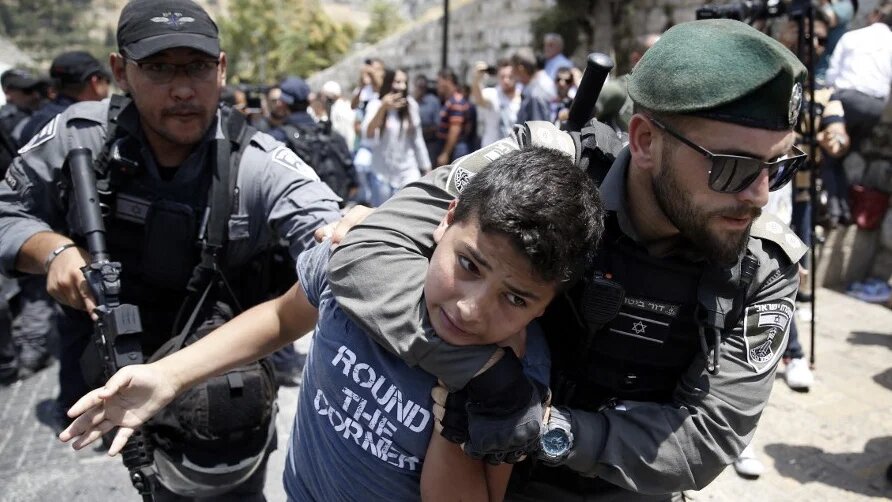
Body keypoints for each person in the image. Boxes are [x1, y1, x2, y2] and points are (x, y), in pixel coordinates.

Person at [323, 19, 809, 500]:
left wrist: (546, 428)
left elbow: (708, 438)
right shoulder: (546, 165)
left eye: (778, 167)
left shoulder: (761, 264)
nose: (760, 196)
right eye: (731, 169)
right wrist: (486, 373)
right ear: (643, 141)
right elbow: (366, 254)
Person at [59, 146, 606, 501]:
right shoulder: (365, 274)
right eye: (469, 265)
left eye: (515, 298)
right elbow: (281, 317)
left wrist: (456, 418)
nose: (470, 309)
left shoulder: (520, 374)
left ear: (545, 306)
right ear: (446, 218)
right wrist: (171, 375)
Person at [0, 0, 342, 499]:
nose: (183, 89)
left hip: (221, 387)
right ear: (120, 71)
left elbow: (328, 237)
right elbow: (7, 209)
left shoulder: (258, 163)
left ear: (221, 70)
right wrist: (50, 251)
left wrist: (349, 232)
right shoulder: (81, 138)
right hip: (116, 364)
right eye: (159, 68)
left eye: (199, 67)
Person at [362, 68, 431, 206]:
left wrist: (427, 168)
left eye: (404, 82)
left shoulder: (411, 105)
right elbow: (368, 133)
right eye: (398, 82)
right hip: (382, 173)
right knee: (381, 218)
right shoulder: (375, 104)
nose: (402, 87)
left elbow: (417, 139)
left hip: (407, 171)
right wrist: (383, 108)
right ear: (388, 83)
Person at [595, 33, 660, 133]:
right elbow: (574, 117)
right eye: (658, 56)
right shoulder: (617, 91)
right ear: (636, 59)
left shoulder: (663, 95)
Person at [470, 60, 520, 148]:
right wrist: (477, 79)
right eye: (502, 77)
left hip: (513, 150)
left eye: (510, 77)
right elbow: (478, 98)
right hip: (491, 148)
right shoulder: (493, 94)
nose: (506, 80)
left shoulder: (522, 96)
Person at [433, 68, 474, 167]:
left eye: (439, 82)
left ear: (448, 80)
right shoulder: (451, 100)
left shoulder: (456, 101)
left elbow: (455, 129)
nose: (437, 86)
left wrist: (445, 153)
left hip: (455, 150)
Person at [512, 48, 556, 124]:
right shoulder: (530, 90)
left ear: (520, 69)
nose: (511, 72)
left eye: (513, 68)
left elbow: (538, 131)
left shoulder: (535, 96)